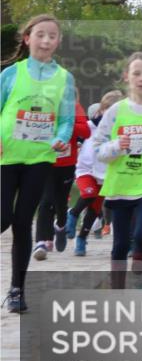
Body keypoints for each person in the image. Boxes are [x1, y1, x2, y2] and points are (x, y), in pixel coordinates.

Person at [1, 14, 76, 313]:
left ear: (58, 42)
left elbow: (67, 120)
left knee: (22, 223)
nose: (46, 41)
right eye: (40, 35)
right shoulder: (10, 74)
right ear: (27, 38)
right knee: (3, 218)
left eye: (52, 36)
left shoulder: (64, 78)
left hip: (39, 159)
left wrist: (60, 138)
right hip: (6, 156)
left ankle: (17, 290)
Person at [94, 53, 142, 288]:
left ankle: (139, 263)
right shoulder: (116, 111)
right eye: (136, 73)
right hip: (121, 185)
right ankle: (117, 290)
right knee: (119, 245)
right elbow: (97, 148)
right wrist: (117, 146)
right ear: (126, 76)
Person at [35, 88, 89, 255]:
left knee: (60, 203)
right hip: (46, 161)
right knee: (46, 201)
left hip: (67, 164)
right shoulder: (44, 107)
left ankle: (61, 225)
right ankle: (42, 241)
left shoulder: (75, 108)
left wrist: (67, 124)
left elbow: (86, 131)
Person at [72, 92, 123, 256]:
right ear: (101, 110)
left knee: (94, 210)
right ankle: (72, 214)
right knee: (88, 194)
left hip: (105, 173)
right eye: (106, 110)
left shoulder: (120, 129)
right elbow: (78, 132)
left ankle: (81, 238)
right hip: (86, 169)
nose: (109, 114)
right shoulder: (92, 125)